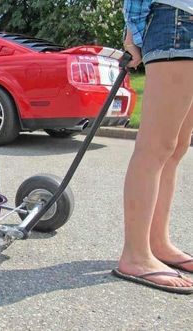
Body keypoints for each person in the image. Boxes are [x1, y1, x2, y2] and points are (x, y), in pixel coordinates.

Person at [113, 0, 193, 294]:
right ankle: (135, 254)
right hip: (177, 22)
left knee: (176, 148)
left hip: (184, 24)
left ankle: (158, 242)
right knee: (155, 147)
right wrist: (132, 33)